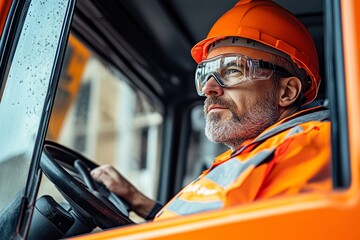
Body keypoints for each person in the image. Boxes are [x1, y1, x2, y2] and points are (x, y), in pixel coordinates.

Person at [91, 0, 331, 221]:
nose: (208, 88)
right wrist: (138, 202)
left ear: (287, 92)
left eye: (234, 71)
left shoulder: (310, 148)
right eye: (206, 75)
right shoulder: (252, 155)